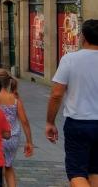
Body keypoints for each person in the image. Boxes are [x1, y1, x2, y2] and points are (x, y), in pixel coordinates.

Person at [46, 19, 98, 187]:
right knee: (95, 171)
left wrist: (50, 122)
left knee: (76, 173)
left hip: (79, 123)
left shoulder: (70, 59)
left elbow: (56, 94)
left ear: (83, 37)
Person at [0, 69, 34, 187]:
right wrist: (29, 141)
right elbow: (25, 122)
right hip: (13, 138)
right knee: (8, 167)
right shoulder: (15, 100)